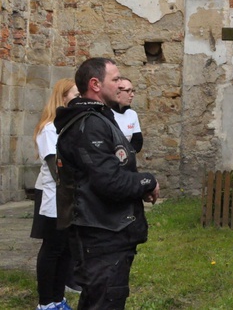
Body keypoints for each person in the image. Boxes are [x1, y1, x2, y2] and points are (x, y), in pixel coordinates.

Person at [55, 58, 159, 310]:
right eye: (115, 79)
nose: (121, 85)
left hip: (108, 230)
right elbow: (110, 182)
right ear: (95, 84)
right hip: (100, 233)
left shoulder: (99, 118)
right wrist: (148, 181)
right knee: (104, 301)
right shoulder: (89, 124)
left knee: (98, 300)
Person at [30, 78, 79, 310]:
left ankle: (58, 298)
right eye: (75, 95)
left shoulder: (65, 127)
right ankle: (46, 302)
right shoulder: (50, 128)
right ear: (63, 97)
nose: (79, 99)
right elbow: (55, 166)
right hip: (52, 194)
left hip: (66, 194)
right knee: (52, 248)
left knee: (65, 249)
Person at [113, 77, 144, 152]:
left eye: (132, 91)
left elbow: (137, 141)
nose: (132, 95)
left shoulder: (132, 114)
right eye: (128, 91)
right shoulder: (105, 114)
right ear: (117, 92)